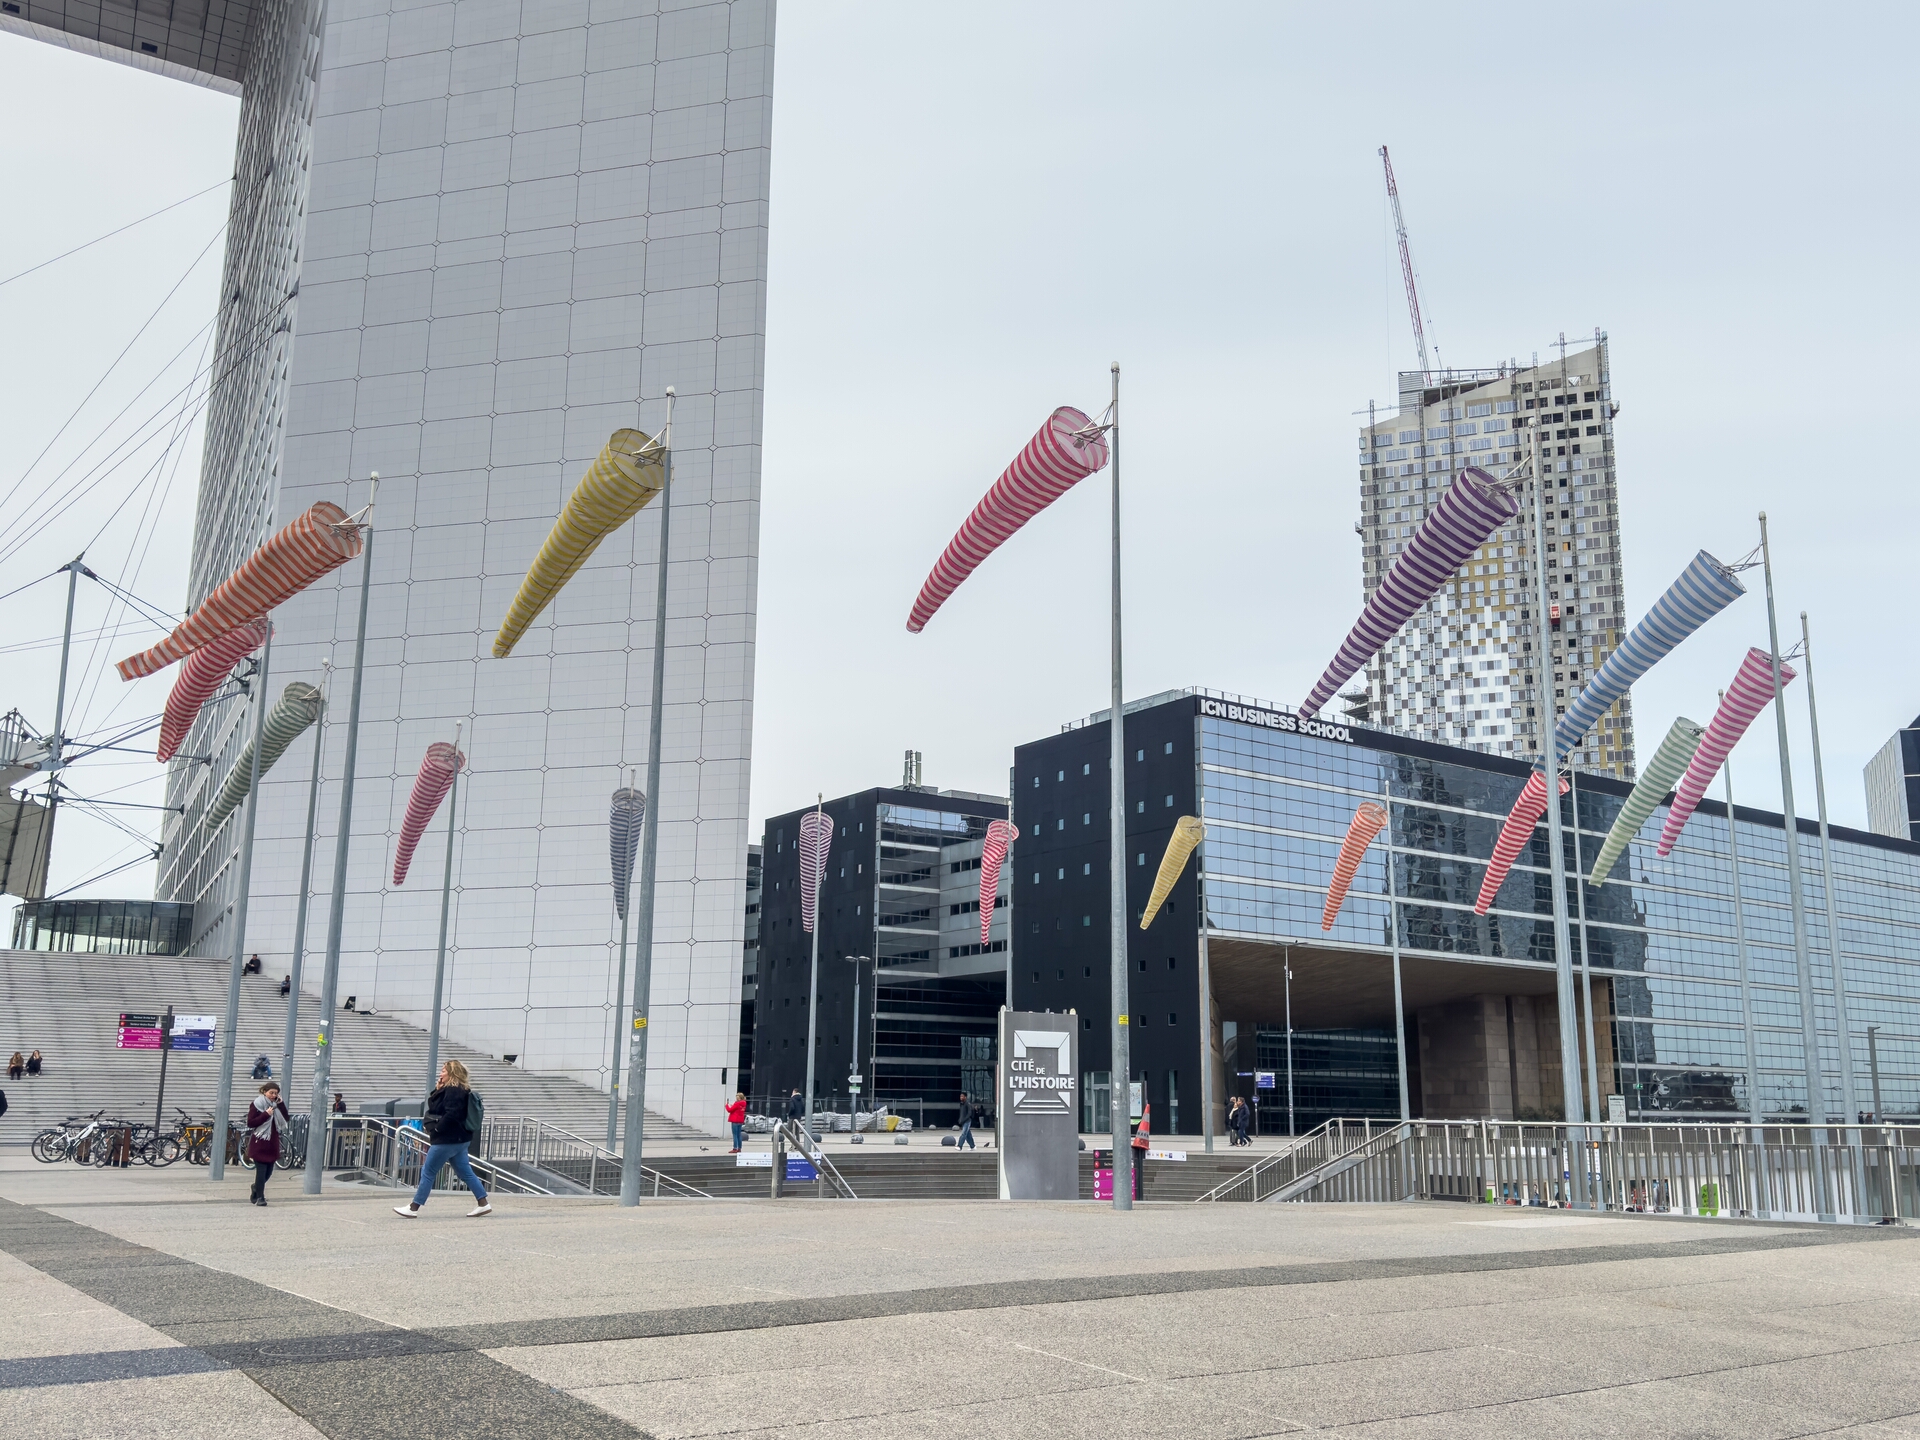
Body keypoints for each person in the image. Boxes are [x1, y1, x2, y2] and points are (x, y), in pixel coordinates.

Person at [393, 1058, 491, 1219]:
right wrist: (438, 1088)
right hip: (460, 1139)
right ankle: (483, 1203)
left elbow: (451, 1113)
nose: (441, 1073)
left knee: (428, 1171)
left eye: (444, 1070)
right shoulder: (460, 1089)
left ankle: (413, 1207)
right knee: (465, 1172)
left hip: (447, 1139)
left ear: (452, 1073)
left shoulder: (453, 1090)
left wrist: (437, 1129)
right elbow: (439, 1106)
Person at [246, 1082, 291, 1206]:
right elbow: (251, 1123)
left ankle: (255, 1188)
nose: (273, 1095)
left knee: (269, 1172)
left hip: (272, 1142)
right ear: (264, 1092)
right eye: (271, 1092)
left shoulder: (276, 1106)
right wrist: (266, 1114)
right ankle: (261, 1197)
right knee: (261, 1172)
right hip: (260, 1142)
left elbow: (286, 1118)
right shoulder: (257, 1104)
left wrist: (281, 1105)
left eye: (276, 1093)